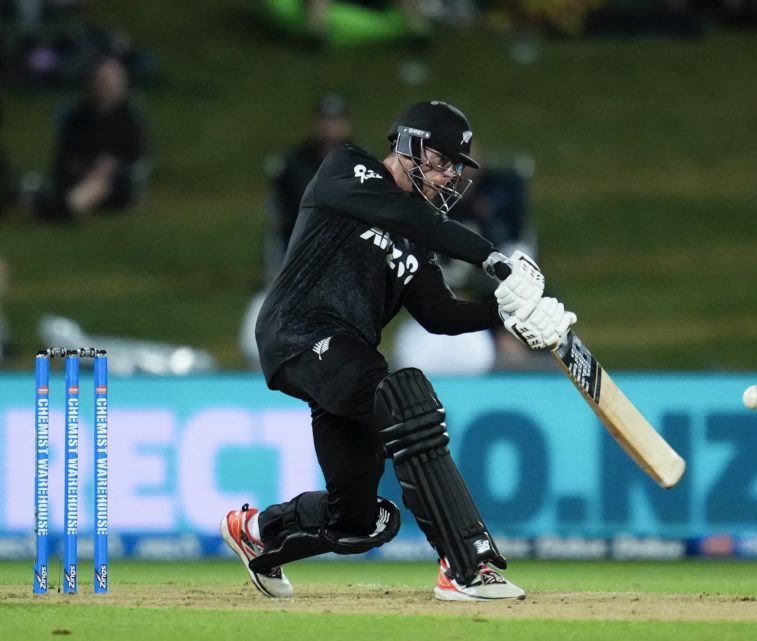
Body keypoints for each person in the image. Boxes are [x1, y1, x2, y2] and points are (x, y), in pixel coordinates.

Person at [220, 99, 576, 600]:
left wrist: (508, 315)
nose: (450, 175)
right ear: (410, 145)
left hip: (345, 358)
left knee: (361, 522)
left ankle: (257, 532)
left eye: (456, 166)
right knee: (406, 395)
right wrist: (494, 260)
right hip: (298, 333)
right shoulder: (346, 168)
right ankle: (466, 562)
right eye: (444, 160)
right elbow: (407, 216)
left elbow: (439, 315)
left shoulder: (415, 240)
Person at [34, 54, 148, 221]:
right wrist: (85, 166)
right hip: (79, 174)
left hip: (116, 180)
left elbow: (137, 155)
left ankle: (66, 206)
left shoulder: (128, 119)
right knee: (88, 181)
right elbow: (66, 155)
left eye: (110, 83)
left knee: (98, 183)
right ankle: (63, 205)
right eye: (101, 82)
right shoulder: (77, 118)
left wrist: (112, 165)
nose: (105, 87)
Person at [265, 93, 353, 283]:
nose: (329, 127)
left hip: (345, 250)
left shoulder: (359, 161)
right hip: (299, 248)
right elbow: (278, 214)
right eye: (325, 120)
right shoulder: (293, 163)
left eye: (335, 120)